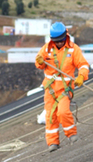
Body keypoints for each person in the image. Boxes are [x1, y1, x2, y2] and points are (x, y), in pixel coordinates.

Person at [35, 22, 89, 152]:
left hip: (65, 89)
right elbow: (39, 63)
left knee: (63, 112)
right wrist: (39, 61)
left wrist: (81, 76)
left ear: (66, 36)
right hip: (51, 89)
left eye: (61, 41)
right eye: (56, 41)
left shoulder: (73, 49)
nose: (59, 43)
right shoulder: (46, 49)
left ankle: (72, 135)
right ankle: (53, 143)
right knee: (50, 116)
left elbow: (83, 65)